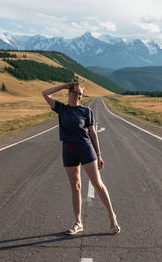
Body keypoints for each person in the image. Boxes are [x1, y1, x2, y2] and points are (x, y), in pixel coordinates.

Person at [42, 82, 121, 235]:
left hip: (85, 148)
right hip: (68, 149)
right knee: (75, 186)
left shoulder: (86, 111)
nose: (78, 96)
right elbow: (45, 93)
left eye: (80, 94)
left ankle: (112, 217)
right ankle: (78, 223)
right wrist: (64, 85)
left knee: (97, 184)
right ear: (69, 93)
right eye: (75, 93)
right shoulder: (61, 109)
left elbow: (93, 133)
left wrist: (98, 154)